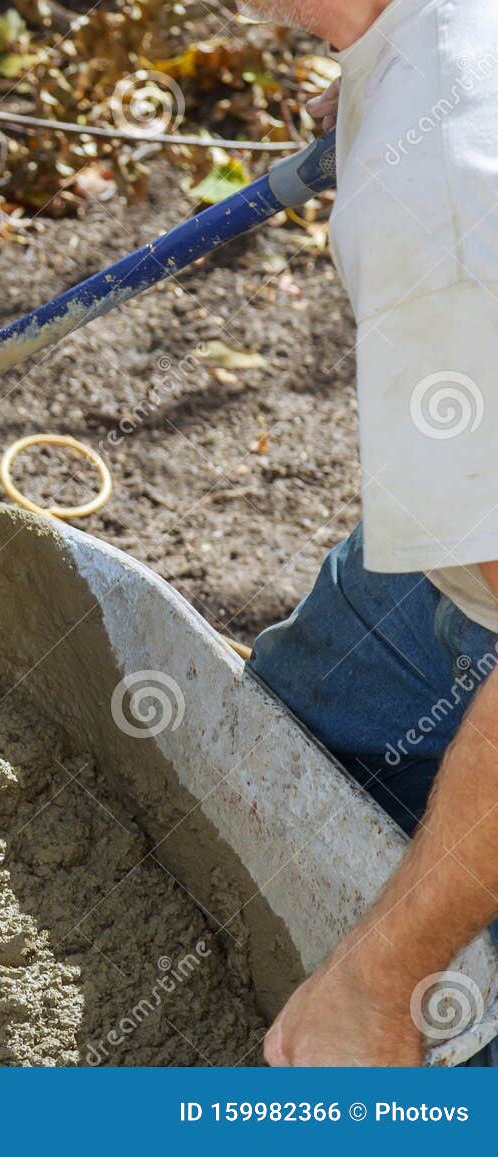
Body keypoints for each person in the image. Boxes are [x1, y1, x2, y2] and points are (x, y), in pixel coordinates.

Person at [232, 0, 498, 1065]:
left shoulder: (441, 207)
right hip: (465, 546)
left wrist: (379, 980)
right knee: (281, 742)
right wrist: (392, 77)